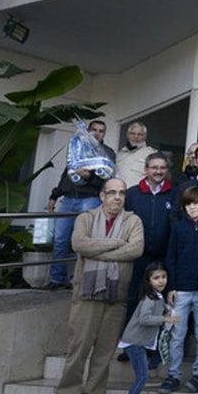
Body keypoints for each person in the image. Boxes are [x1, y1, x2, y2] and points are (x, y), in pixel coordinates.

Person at [52, 178, 144, 394]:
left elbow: (135, 249)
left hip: (116, 296)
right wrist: (116, 244)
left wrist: (98, 251)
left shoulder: (133, 221)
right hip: (87, 295)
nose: (117, 197)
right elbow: (79, 244)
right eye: (112, 192)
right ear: (102, 196)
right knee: (78, 350)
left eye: (121, 193)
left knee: (104, 353)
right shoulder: (86, 218)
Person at [46, 119, 116, 288]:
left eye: (101, 131)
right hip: (68, 199)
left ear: (104, 134)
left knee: (83, 241)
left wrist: (89, 177)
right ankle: (56, 279)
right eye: (94, 130)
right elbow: (66, 174)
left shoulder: (107, 152)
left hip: (90, 199)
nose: (97, 133)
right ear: (87, 131)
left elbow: (107, 179)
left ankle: (77, 280)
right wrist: (55, 195)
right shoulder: (77, 147)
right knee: (60, 240)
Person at [161, 186, 198, 394]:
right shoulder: (179, 227)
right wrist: (171, 286)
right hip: (180, 290)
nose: (192, 208)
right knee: (177, 334)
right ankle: (173, 374)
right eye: (188, 204)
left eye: (196, 204)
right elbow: (171, 257)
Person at [122, 152, 179, 335]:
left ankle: (155, 344)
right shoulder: (132, 194)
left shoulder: (175, 193)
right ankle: (130, 341)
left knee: (161, 302)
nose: (158, 171)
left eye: (162, 168)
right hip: (138, 256)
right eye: (154, 167)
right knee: (134, 298)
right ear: (146, 170)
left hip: (163, 257)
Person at [116, 263, 179, 394]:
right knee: (142, 377)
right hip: (135, 342)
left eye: (164, 277)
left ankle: (150, 371)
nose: (161, 281)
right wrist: (165, 319)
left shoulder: (157, 297)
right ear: (148, 280)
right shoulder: (150, 298)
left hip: (141, 342)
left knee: (152, 363)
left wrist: (167, 310)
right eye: (156, 278)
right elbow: (144, 319)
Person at [115, 122, 157, 189]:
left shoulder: (151, 154)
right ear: (128, 135)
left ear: (145, 136)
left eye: (139, 134)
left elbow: (156, 178)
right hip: (119, 192)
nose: (136, 137)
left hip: (139, 193)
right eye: (132, 133)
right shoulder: (120, 154)